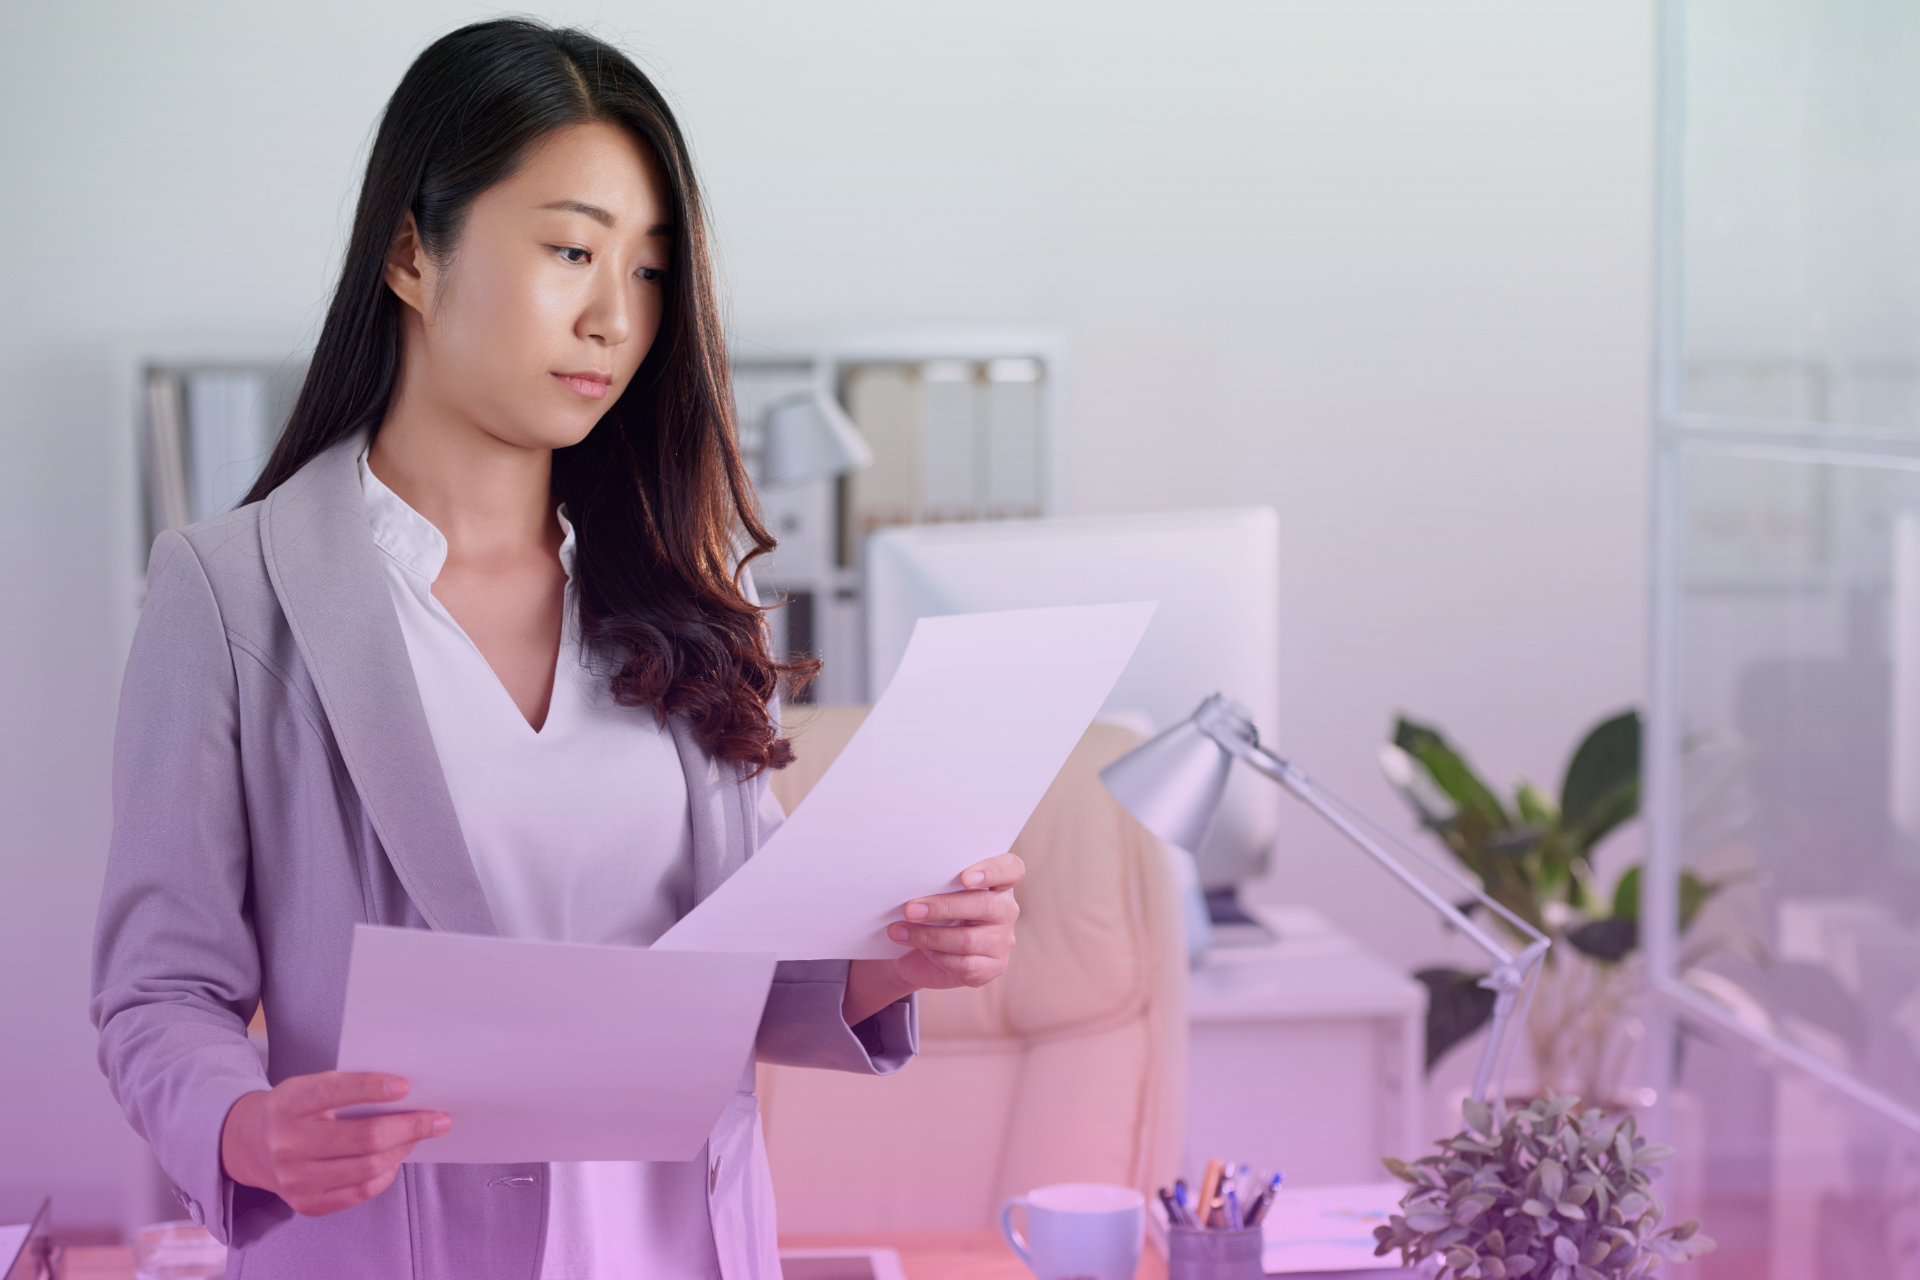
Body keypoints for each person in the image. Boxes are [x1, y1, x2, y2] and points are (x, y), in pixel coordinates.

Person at [90, 19, 1022, 1280]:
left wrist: (891, 957)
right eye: (572, 250)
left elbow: (743, 980)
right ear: (412, 252)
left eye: (646, 271)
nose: (613, 318)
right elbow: (158, 994)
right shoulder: (230, 594)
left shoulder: (688, 592)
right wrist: (247, 1126)